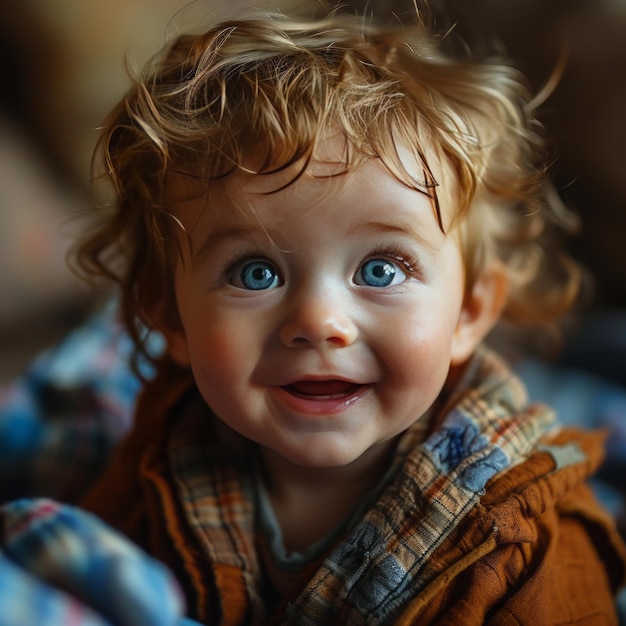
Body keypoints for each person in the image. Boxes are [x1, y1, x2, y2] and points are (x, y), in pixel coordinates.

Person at [73, 4, 626, 624]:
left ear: (470, 311)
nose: (319, 320)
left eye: (381, 270)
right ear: (172, 320)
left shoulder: (527, 545)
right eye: (256, 273)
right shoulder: (157, 458)